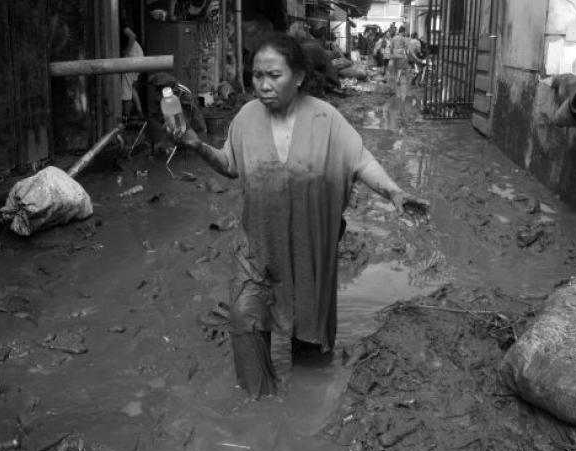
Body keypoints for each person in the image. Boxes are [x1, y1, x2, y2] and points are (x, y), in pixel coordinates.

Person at [168, 33, 430, 397]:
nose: (263, 85)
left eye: (274, 76)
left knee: (309, 347)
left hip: (308, 251)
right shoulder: (245, 117)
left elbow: (360, 160)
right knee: (245, 318)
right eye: (257, 75)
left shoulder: (326, 119)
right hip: (257, 248)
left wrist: (393, 192)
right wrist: (197, 145)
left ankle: (306, 408)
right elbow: (230, 164)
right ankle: (260, 408)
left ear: (299, 77)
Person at [120, 26, 145, 121]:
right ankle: (139, 112)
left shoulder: (121, 25)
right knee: (131, 87)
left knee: (126, 87)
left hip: (134, 56)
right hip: (137, 55)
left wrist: (126, 54)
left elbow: (132, 36)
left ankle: (126, 116)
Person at [389, 28, 411, 96]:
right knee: (400, 68)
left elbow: (391, 47)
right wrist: (406, 55)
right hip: (401, 55)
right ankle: (397, 79)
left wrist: (391, 53)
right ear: (403, 32)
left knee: (395, 69)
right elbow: (406, 48)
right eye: (404, 32)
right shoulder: (403, 38)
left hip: (394, 55)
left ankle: (393, 86)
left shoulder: (394, 38)